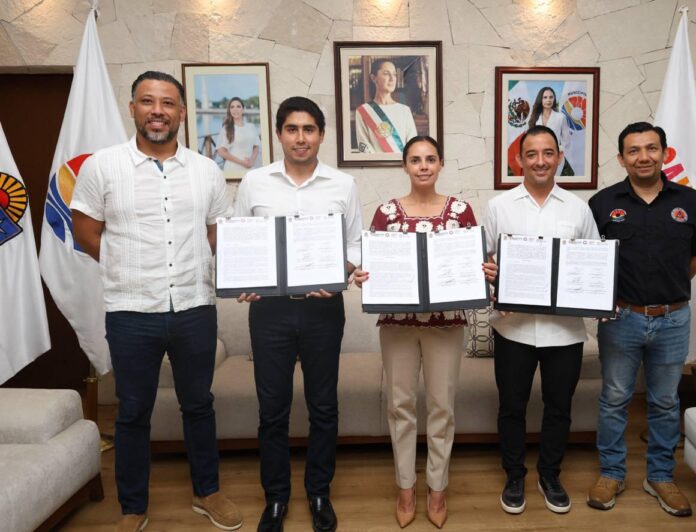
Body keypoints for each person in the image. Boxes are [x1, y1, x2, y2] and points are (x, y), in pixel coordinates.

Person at [71, 71, 242, 532]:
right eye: (148, 101)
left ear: (181, 113)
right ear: (133, 109)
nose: (158, 111)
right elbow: (86, 231)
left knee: (199, 404)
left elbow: (215, 234)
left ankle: (207, 492)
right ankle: (133, 507)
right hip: (130, 311)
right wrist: (127, 266)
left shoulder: (206, 170)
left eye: (168, 103)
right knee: (132, 411)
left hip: (194, 307)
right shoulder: (103, 166)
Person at [353, 136, 497, 529]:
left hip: (445, 324)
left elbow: (476, 262)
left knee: (441, 406)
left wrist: (484, 270)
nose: (423, 166)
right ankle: (405, 486)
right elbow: (373, 264)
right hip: (397, 324)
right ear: (404, 165)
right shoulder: (386, 212)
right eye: (415, 160)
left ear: (441, 164)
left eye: (430, 159)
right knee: (399, 405)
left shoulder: (461, 211)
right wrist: (365, 276)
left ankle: (437, 486)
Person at [233, 96, 362, 532]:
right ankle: (276, 498)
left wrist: (341, 271)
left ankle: (319, 492)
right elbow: (242, 239)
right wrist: (244, 277)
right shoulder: (254, 182)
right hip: (269, 313)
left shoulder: (342, 184)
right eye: (292, 129)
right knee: (273, 410)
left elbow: (355, 243)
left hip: (324, 310)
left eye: (309, 129)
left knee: (323, 406)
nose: (300, 138)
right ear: (279, 134)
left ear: (321, 135)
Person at [586, 122, 696, 517]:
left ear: (664, 153)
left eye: (651, 148)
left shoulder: (691, 201)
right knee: (614, 399)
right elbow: (588, 260)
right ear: (621, 158)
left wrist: (669, 291)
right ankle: (611, 473)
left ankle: (661, 476)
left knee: (665, 402)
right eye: (633, 150)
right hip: (621, 318)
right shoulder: (602, 203)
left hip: (673, 320)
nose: (643, 157)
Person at [484, 125, 599, 516]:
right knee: (511, 407)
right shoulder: (499, 207)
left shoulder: (578, 209)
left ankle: (549, 475)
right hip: (512, 328)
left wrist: (596, 295)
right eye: (531, 154)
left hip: (564, 332)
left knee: (559, 408)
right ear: (519, 159)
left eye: (548, 153)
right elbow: (485, 263)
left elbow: (593, 263)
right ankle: (514, 475)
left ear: (559, 157)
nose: (540, 161)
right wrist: (494, 284)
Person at [355, 58, 418, 154]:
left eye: (394, 74)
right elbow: (364, 146)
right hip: (375, 163)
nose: (392, 79)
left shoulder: (404, 110)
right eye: (386, 73)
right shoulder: (363, 110)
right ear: (373, 78)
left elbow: (413, 145)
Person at [527, 87, 573, 176]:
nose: (548, 100)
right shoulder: (534, 118)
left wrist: (558, 150)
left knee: (552, 180)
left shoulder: (560, 117)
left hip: (554, 157)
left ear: (554, 99)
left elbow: (566, 140)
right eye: (545, 97)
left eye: (551, 97)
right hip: (537, 157)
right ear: (540, 99)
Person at [216, 96, 261, 179]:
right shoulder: (226, 128)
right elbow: (221, 151)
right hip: (233, 169)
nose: (235, 109)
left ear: (243, 109)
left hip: (250, 168)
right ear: (229, 110)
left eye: (238, 106)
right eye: (232, 107)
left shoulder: (251, 126)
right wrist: (241, 162)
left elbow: (256, 146)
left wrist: (252, 161)